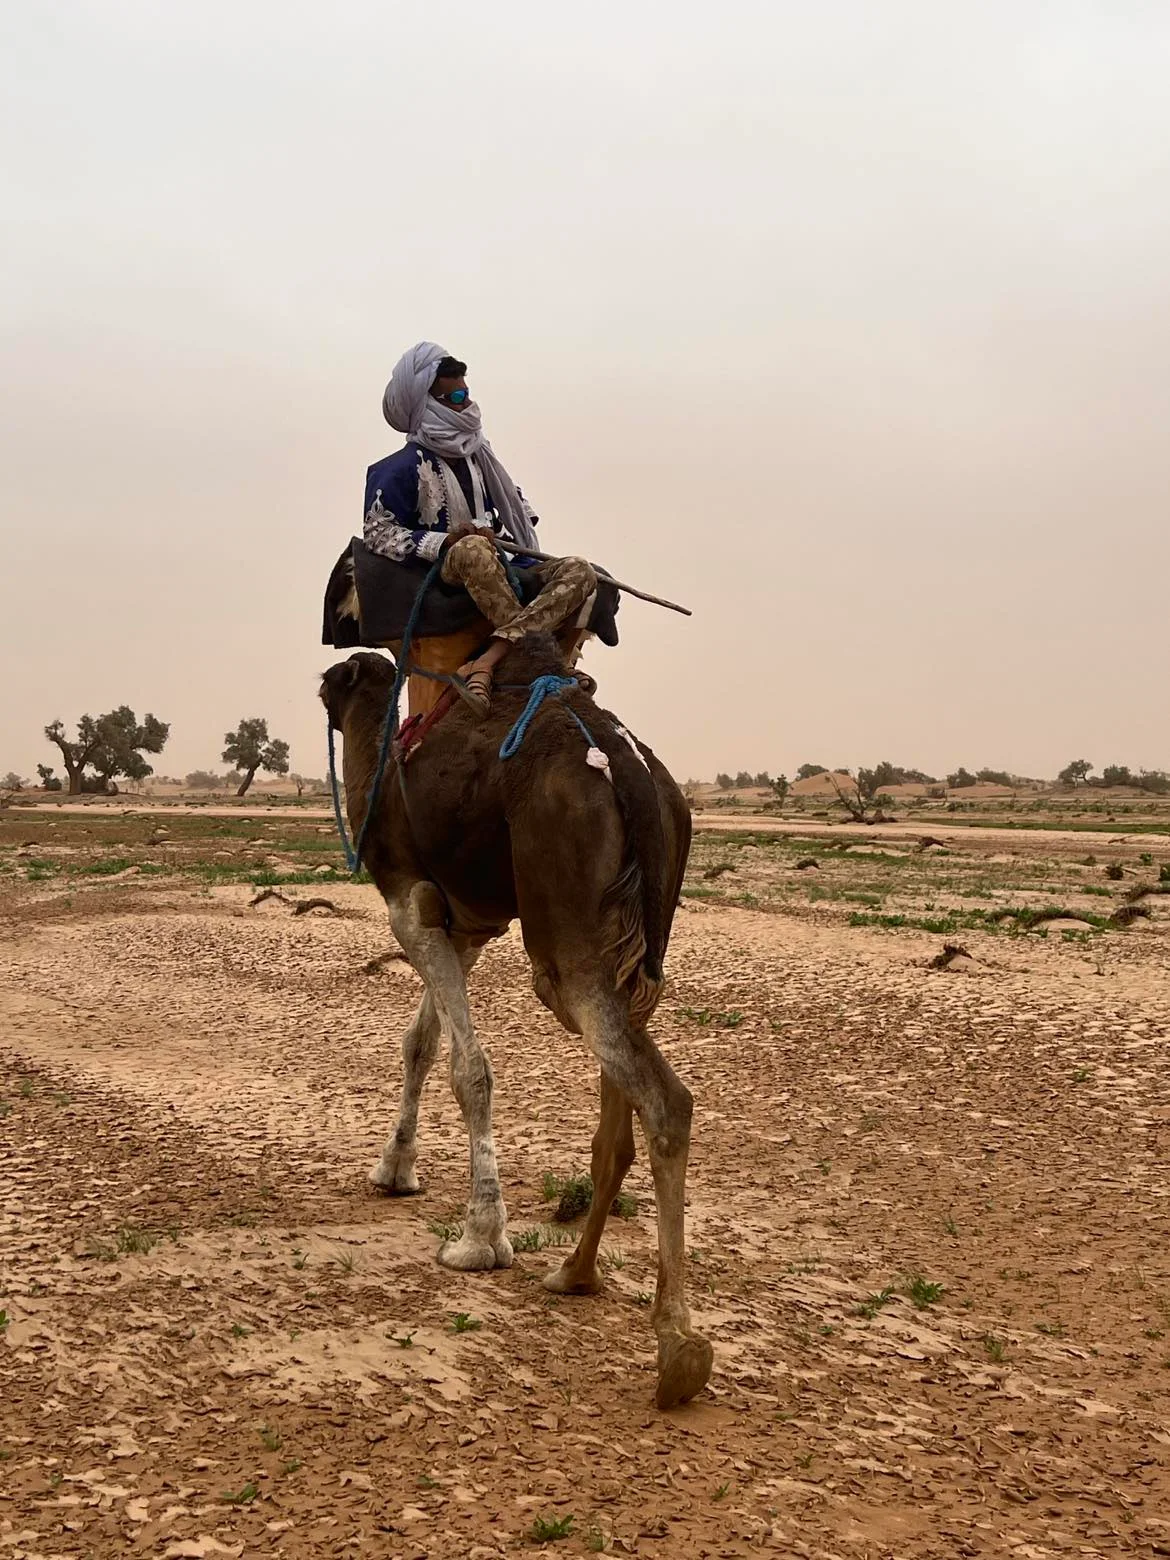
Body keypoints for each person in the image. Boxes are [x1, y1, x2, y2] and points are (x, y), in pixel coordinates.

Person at [363, 342, 598, 714]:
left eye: (465, 394)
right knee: (473, 550)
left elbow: (520, 513)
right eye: (452, 396)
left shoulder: (484, 460)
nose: (464, 405)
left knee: (581, 570)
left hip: (504, 558)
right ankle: (540, 658)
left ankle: (490, 658)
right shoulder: (395, 469)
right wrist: (447, 541)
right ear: (427, 403)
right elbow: (378, 533)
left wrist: (496, 533)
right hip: (448, 566)